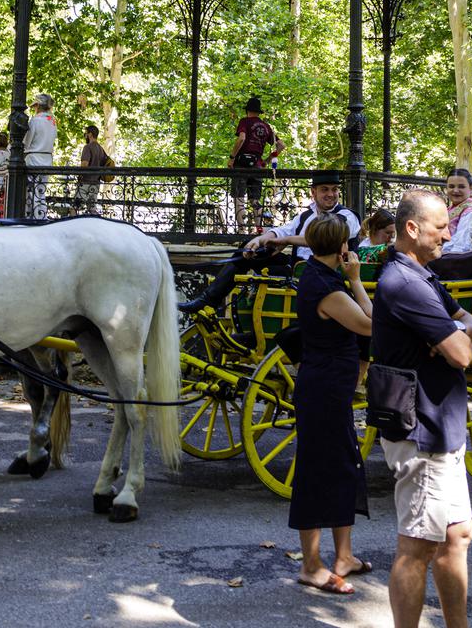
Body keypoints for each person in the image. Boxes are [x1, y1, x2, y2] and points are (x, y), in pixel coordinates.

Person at [373, 189, 472, 628]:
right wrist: (454, 337)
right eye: (440, 227)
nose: (449, 234)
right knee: (417, 547)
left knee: (457, 535)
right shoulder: (406, 283)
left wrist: (454, 334)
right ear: (412, 229)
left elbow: (468, 326)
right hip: (422, 430)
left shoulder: (423, 275)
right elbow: (462, 352)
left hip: (441, 426)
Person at [289, 215, 375, 595]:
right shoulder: (328, 287)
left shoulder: (320, 276)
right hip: (323, 388)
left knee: (344, 465)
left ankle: (344, 556)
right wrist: (357, 279)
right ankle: (311, 565)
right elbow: (371, 324)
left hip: (330, 386)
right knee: (316, 471)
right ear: (343, 248)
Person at [178, 172, 361, 315]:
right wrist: (258, 240)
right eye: (325, 189)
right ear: (313, 192)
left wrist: (286, 240)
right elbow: (283, 230)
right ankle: (207, 300)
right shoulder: (305, 216)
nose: (331, 194)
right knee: (247, 252)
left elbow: (325, 238)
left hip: (328, 275)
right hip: (298, 270)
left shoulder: (347, 216)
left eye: (334, 189)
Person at [229, 96, 284, 229]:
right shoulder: (266, 127)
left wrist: (232, 157)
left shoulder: (245, 122)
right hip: (257, 165)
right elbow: (281, 145)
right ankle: (258, 230)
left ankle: (241, 232)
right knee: (255, 200)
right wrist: (267, 160)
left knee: (239, 198)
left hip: (241, 165)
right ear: (259, 112)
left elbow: (241, 138)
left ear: (247, 110)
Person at [23, 92, 58, 218]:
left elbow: (26, 142)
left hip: (33, 159)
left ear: (38, 106)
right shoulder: (53, 121)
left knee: (31, 192)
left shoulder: (35, 121)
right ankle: (41, 216)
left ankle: (33, 217)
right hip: (47, 159)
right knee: (41, 191)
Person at [73, 123, 113, 215]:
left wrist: (78, 174)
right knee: (92, 209)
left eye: (86, 134)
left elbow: (84, 165)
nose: (85, 136)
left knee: (75, 207)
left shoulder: (87, 147)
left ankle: (70, 228)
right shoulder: (101, 149)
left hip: (85, 183)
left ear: (90, 134)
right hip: (96, 183)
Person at [438, 169, 472, 253]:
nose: (455, 190)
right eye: (451, 186)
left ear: (471, 189)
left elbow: (461, 243)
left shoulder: (471, 211)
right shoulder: (451, 208)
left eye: (461, 187)